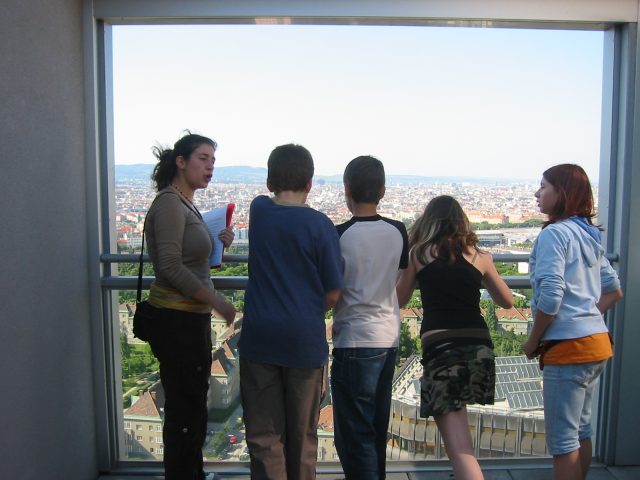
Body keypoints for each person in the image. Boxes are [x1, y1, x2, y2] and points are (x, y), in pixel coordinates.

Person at [239, 143, 343, 480]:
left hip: (259, 338)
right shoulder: (321, 226)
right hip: (303, 339)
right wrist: (309, 309)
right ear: (311, 183)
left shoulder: (259, 211)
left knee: (264, 436)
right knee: (303, 436)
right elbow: (333, 292)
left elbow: (267, 202)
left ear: (269, 182)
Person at [396, 195, 513, 480]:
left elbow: (399, 299)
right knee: (460, 438)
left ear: (428, 222)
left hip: (442, 348)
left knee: (458, 446)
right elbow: (507, 301)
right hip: (478, 345)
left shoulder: (420, 255)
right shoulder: (480, 257)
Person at [144, 132, 236, 480]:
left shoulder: (184, 202)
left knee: (192, 408)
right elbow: (168, 266)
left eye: (213, 159)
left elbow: (192, 262)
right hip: (177, 321)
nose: (210, 166)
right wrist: (216, 302)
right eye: (203, 158)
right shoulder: (170, 203)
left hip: (187, 319)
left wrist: (219, 246)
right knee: (185, 412)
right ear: (180, 162)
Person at [523, 164, 623, 480]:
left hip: (569, 349)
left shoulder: (554, 235)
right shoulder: (586, 234)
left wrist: (534, 339)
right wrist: (586, 318)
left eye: (543, 186)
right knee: (582, 430)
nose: (538, 193)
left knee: (563, 441)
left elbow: (551, 297)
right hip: (597, 343)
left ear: (561, 193)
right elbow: (614, 290)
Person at [330, 156, 408, 479]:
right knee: (376, 428)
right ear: (383, 191)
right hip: (387, 339)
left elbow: (331, 288)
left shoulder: (339, 235)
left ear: (346, 190)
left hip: (353, 340)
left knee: (354, 435)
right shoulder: (398, 231)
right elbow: (399, 281)